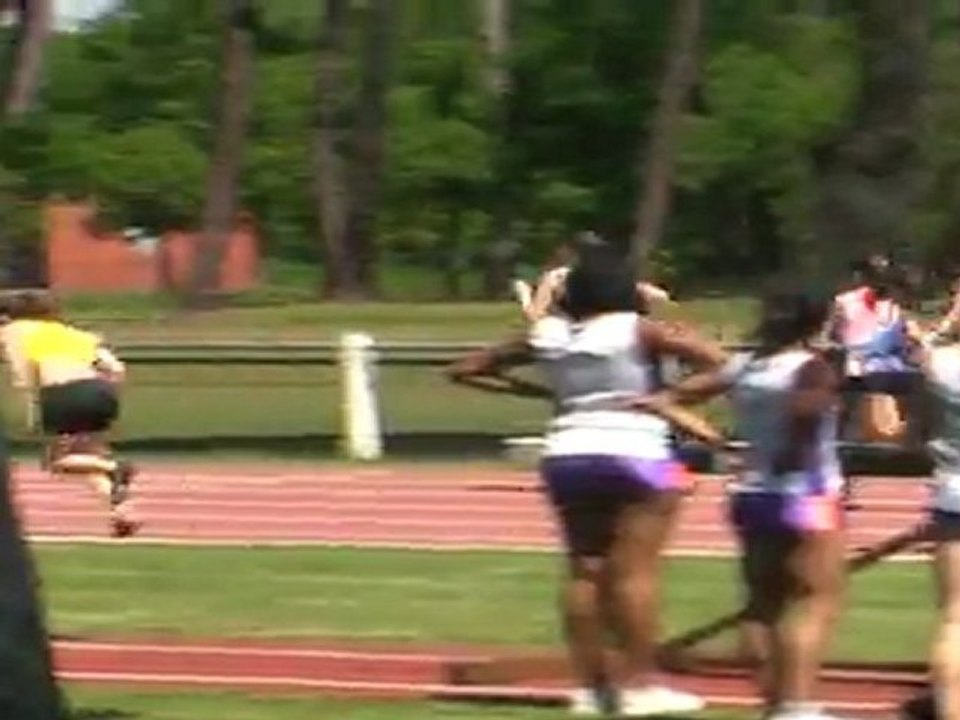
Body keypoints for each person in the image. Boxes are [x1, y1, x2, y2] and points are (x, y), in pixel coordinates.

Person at [448, 244, 725, 716]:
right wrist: (670, 398)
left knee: (584, 569)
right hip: (638, 450)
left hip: (567, 451)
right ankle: (640, 684)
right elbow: (722, 363)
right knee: (636, 572)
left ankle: (594, 688)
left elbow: (465, 369)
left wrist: (539, 391)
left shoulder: (547, 334)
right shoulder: (639, 329)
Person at [632, 286, 846, 720]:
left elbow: (661, 400)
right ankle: (799, 708)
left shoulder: (745, 366)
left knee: (762, 605)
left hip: (751, 492)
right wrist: (792, 457)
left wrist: (719, 441)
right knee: (815, 601)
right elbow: (804, 419)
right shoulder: (812, 368)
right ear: (816, 322)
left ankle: (774, 706)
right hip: (807, 494)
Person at [0, 291, 138, 538]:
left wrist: (34, 413)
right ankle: (121, 513)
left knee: (57, 462)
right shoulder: (73, 333)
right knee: (88, 457)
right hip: (100, 390)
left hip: (62, 392)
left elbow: (24, 376)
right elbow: (117, 369)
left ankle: (115, 468)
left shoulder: (15, 332)